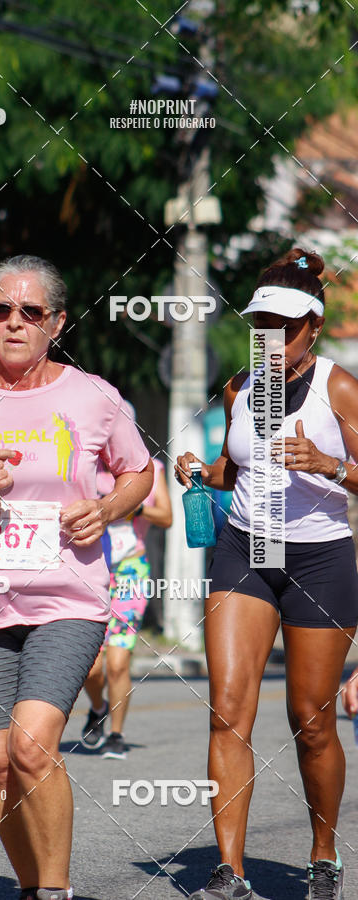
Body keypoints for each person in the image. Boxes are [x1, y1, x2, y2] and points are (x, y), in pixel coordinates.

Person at [0, 254, 153, 900]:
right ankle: (30, 887)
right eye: (1, 310)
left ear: (57, 322)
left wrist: (104, 510)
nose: (13, 322)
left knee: (31, 748)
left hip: (69, 599)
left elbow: (140, 473)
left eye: (31, 312)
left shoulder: (92, 396)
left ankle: (56, 890)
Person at [175, 248, 358, 900]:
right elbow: (238, 467)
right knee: (227, 711)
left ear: (314, 324)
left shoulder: (341, 389)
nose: (269, 339)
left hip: (320, 558)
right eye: (261, 325)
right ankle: (232, 873)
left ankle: (323, 851)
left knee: (311, 719)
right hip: (246, 549)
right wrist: (202, 471)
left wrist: (331, 466)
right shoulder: (241, 388)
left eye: (283, 326)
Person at [81, 439, 172, 759]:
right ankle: (97, 708)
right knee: (90, 667)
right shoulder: (83, 466)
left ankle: (116, 733)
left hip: (131, 570)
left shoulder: (150, 469)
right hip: (88, 568)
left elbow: (166, 516)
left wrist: (137, 508)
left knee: (118, 663)